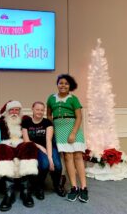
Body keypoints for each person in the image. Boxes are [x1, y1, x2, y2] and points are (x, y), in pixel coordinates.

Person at [47, 74, 89, 203]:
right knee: (67, 158)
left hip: (73, 128)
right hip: (59, 129)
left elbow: (79, 117)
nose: (63, 85)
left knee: (77, 156)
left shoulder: (73, 99)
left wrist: (73, 133)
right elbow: (49, 115)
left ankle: (83, 187)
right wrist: (53, 129)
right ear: (57, 84)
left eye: (66, 83)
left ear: (70, 86)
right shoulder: (51, 98)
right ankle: (74, 188)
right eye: (61, 83)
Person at [0, 100, 38, 212]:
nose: (14, 112)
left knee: (30, 146)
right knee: (1, 148)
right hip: (6, 144)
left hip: (20, 144)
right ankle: (9, 193)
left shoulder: (25, 119)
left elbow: (37, 122)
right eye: (11, 110)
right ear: (7, 111)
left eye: (17, 110)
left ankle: (25, 192)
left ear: (20, 111)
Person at [22, 101, 66, 200]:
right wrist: (40, 147)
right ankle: (39, 187)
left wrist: (50, 157)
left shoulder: (47, 122)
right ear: (32, 109)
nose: (40, 112)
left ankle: (57, 186)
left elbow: (48, 141)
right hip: (34, 147)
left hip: (49, 146)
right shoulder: (26, 122)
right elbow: (27, 141)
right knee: (45, 164)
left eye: (42, 110)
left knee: (57, 165)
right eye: (37, 109)